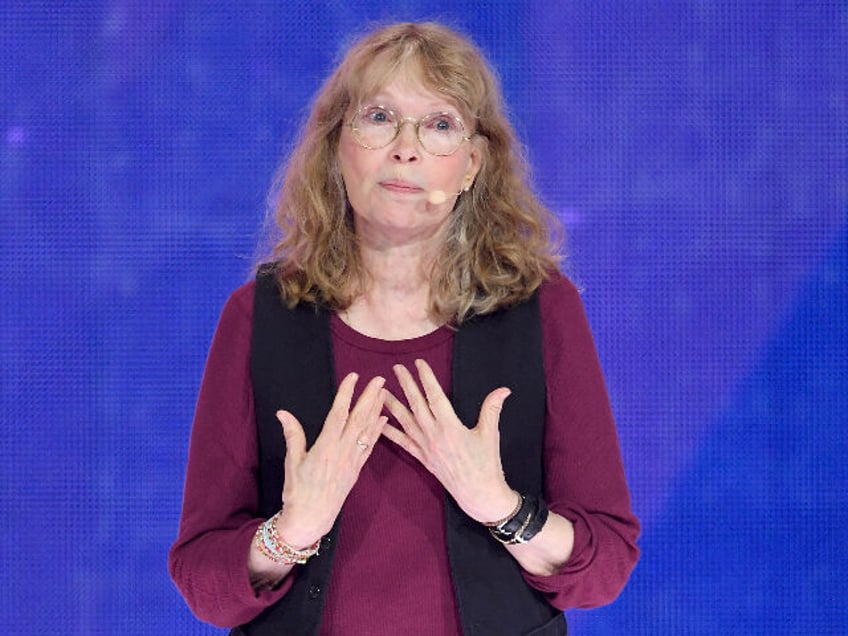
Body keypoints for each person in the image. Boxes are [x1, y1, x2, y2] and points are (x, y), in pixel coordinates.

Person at [169, 21, 639, 636]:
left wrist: (498, 505)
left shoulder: (542, 310)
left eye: (440, 125)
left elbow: (604, 567)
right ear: (338, 145)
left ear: (473, 164)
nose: (406, 149)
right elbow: (205, 583)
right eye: (379, 117)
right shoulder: (259, 316)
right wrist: (291, 532)